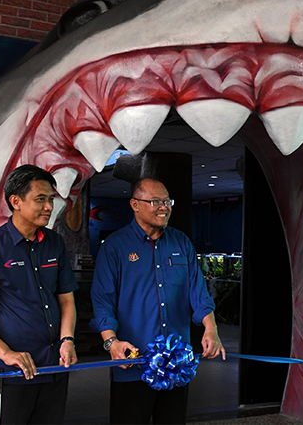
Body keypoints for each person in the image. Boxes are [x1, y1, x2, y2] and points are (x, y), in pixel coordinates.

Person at [90, 178, 224, 424]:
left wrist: (210, 328)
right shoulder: (115, 247)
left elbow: (199, 293)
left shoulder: (181, 243)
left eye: (167, 201)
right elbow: (102, 302)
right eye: (155, 202)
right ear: (135, 204)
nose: (164, 207)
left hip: (176, 365)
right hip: (132, 363)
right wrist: (111, 342)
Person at [0, 165, 78, 424]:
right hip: (13, 374)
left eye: (50, 199)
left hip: (55, 367)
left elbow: (66, 299)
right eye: (40, 199)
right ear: (16, 201)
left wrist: (67, 339)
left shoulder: (55, 243)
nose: (49, 206)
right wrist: (6, 353)